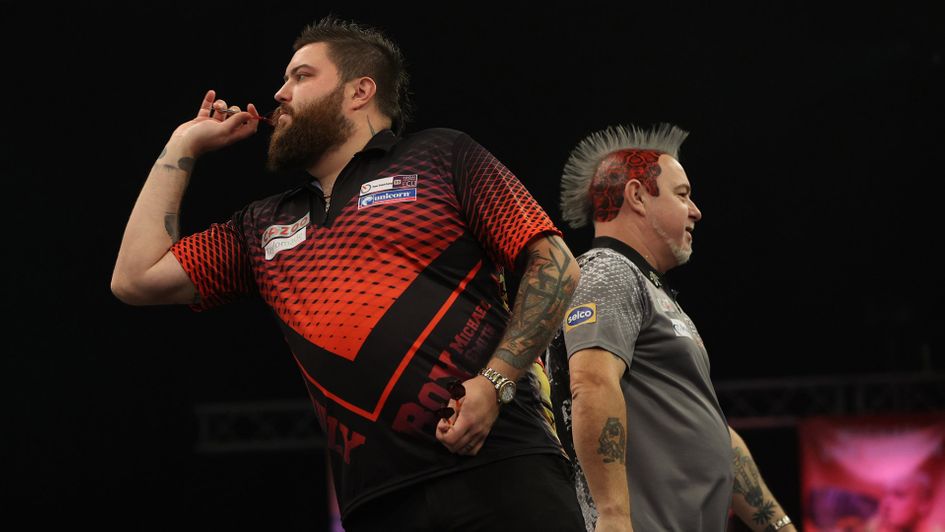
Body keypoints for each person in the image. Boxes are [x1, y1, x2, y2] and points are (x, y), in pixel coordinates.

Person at [111, 16, 585, 531]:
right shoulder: (261, 225)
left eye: (300, 76)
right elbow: (135, 279)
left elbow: (555, 264)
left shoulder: (441, 155)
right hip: (376, 504)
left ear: (360, 91)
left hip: (502, 466)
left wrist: (495, 385)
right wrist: (184, 144)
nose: (279, 93)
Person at [545, 123, 796, 531]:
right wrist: (612, 516)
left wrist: (780, 526)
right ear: (638, 197)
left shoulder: (651, 290)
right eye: (683, 194)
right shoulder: (608, 271)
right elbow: (591, 383)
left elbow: (715, 434)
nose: (695, 210)